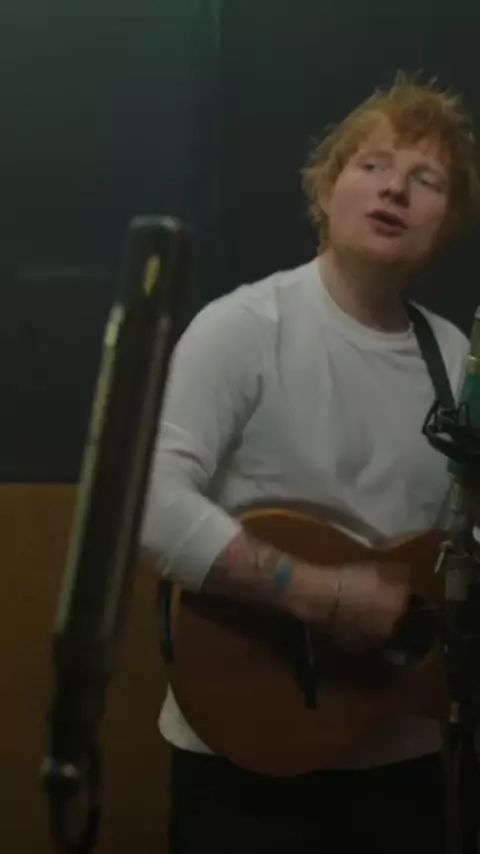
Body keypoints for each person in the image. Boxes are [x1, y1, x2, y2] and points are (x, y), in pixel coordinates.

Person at [141, 73, 480, 854]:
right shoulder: (243, 328)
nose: (395, 187)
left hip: (402, 759)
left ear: (447, 223)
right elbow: (148, 504)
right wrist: (321, 594)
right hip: (245, 760)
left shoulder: (454, 355)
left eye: (426, 179)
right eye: (373, 165)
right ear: (327, 190)